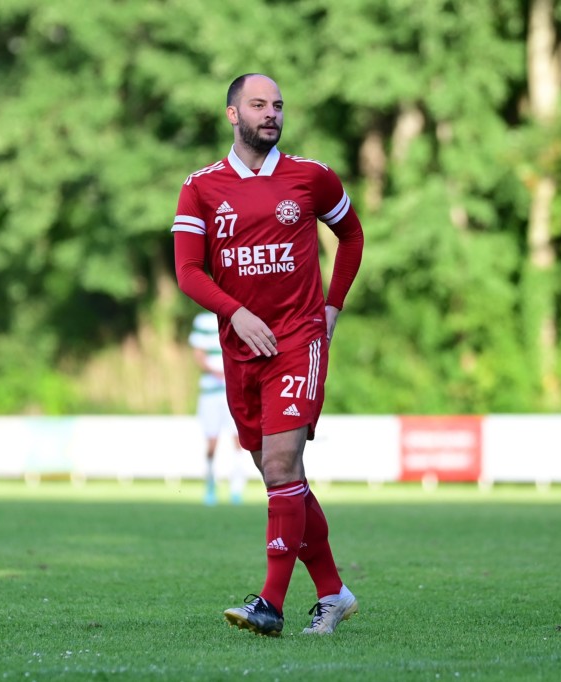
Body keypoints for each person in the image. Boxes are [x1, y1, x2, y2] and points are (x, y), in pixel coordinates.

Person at [171, 73, 364, 635]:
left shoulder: (312, 177)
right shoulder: (201, 187)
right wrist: (236, 312)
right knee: (283, 478)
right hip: (241, 351)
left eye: (277, 105)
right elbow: (187, 271)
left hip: (298, 341)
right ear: (233, 115)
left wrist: (333, 307)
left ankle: (271, 605)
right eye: (258, 105)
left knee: (282, 468)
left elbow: (351, 237)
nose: (271, 113)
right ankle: (333, 593)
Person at [188, 309, 246, 506]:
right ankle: (211, 486)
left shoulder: (237, 316)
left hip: (234, 390)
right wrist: (217, 373)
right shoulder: (203, 320)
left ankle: (236, 489)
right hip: (211, 392)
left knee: (239, 440)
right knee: (211, 443)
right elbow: (199, 355)